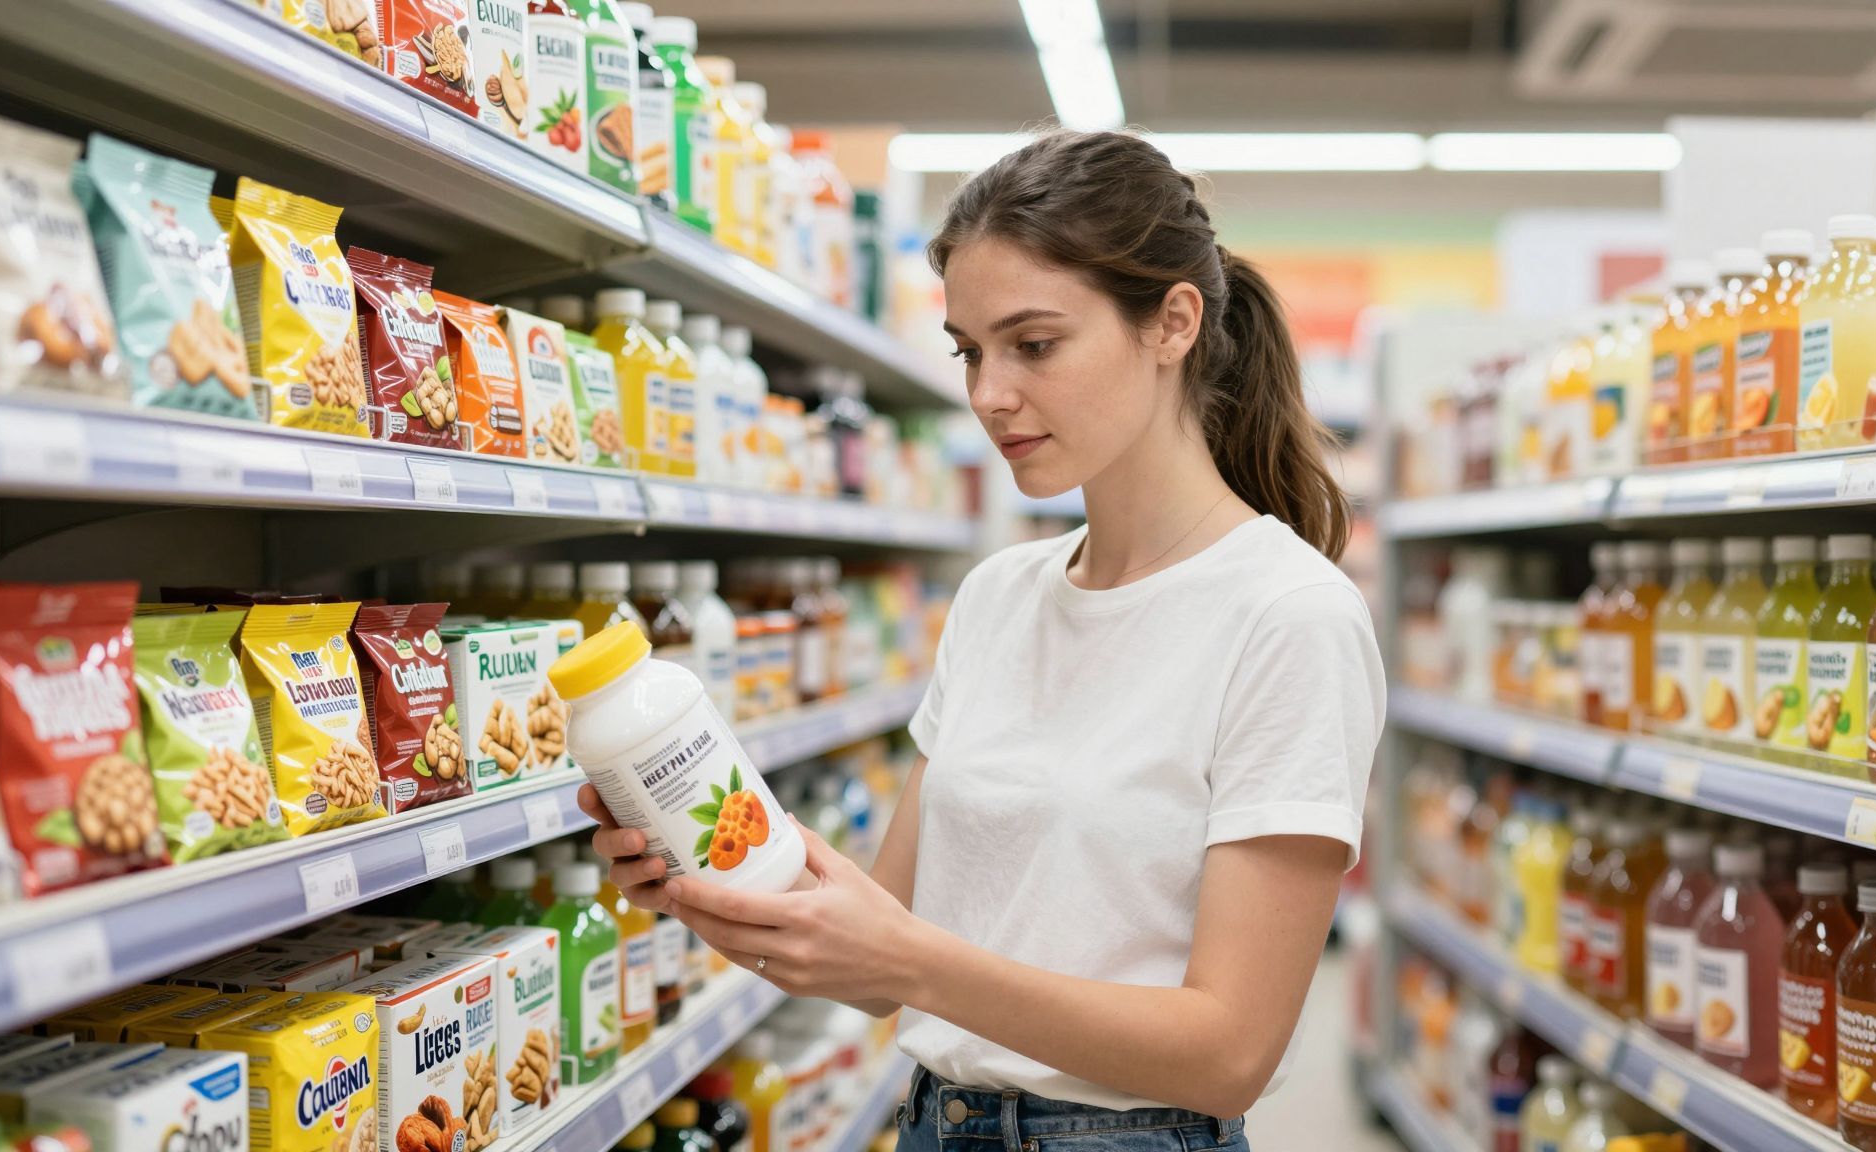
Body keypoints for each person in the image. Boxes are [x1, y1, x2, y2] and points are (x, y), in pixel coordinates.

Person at [577, 130, 1384, 1146]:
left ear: (1173, 323)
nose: (988, 394)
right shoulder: (999, 594)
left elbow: (1229, 1052)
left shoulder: (1286, 615)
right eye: (968, 351)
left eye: (1033, 345)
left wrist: (912, 962)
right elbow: (880, 955)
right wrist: (707, 876)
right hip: (935, 1125)